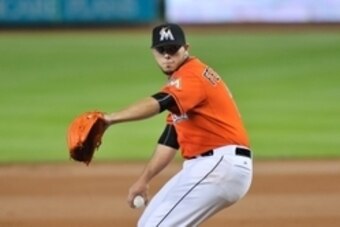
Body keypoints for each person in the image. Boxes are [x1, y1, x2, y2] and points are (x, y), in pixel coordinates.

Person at [103, 23, 253, 226]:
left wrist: (112, 118)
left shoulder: (192, 75)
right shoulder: (182, 86)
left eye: (173, 49)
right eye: (161, 50)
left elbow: (161, 102)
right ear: (153, 53)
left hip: (219, 165)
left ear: (186, 48)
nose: (167, 56)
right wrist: (144, 180)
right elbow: (170, 140)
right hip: (209, 167)